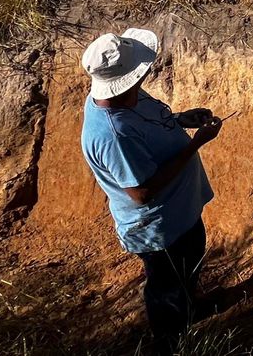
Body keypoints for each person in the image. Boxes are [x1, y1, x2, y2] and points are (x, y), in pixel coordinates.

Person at [79, 27, 222, 353]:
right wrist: (194, 146)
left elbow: (150, 124)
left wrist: (181, 120)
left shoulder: (125, 96)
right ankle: (171, 342)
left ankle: (189, 311)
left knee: (188, 267)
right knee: (166, 287)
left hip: (178, 215)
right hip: (158, 229)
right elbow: (142, 193)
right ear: (126, 80)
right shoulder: (112, 135)